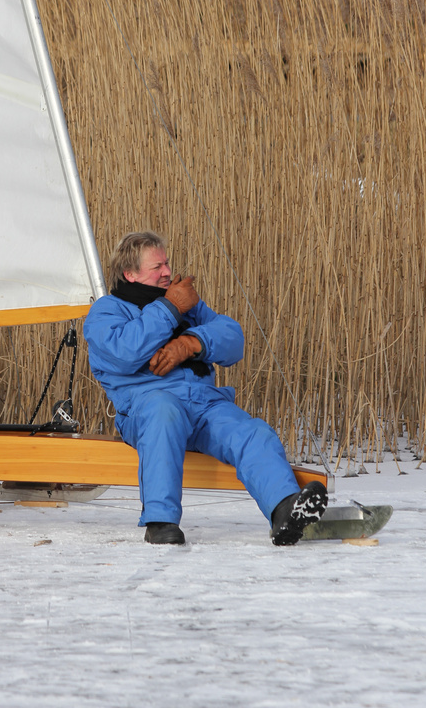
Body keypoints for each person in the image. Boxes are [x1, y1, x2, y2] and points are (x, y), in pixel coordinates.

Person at [83, 231, 327, 545]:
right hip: (146, 407)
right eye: (157, 266)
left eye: (167, 263)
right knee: (163, 411)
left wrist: (191, 342)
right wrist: (169, 309)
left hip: (204, 405)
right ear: (131, 274)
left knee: (253, 432)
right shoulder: (107, 311)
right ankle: (160, 522)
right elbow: (124, 353)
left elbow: (233, 338)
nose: (168, 271)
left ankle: (284, 510)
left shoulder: (189, 307)